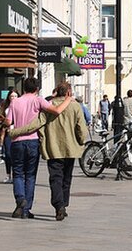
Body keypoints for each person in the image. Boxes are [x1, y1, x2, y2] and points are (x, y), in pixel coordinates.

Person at [8, 82, 87, 221]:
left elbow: (36, 123)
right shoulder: (75, 106)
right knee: (66, 178)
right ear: (68, 92)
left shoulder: (48, 105)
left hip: (53, 147)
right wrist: (81, 140)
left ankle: (58, 206)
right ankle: (63, 205)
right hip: (70, 148)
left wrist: (15, 132)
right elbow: (81, 126)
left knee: (55, 178)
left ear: (57, 91)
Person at [0, 89, 18, 182]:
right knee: (8, 154)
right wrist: (3, 120)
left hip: (18, 133)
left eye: (15, 96)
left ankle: (16, 175)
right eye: (12, 96)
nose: (13, 98)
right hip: (7, 133)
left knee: (17, 155)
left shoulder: (21, 106)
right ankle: (8, 174)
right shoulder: (5, 107)